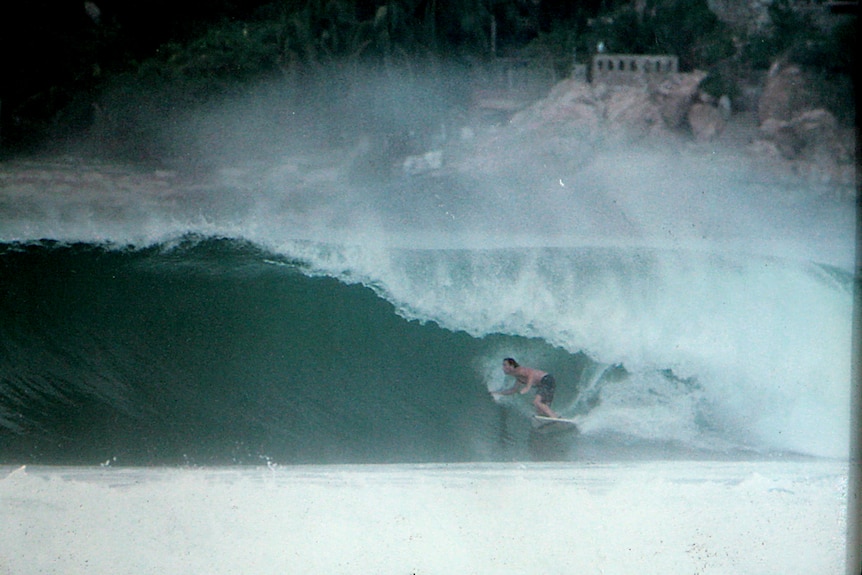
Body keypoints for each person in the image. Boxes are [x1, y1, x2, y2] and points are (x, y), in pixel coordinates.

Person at [492, 357, 560, 419]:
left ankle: (554, 418)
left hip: (546, 380)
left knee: (536, 402)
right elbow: (513, 390)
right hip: (545, 383)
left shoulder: (519, 370)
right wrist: (498, 393)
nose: (503, 368)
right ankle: (551, 420)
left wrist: (527, 387)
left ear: (512, 366)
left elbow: (531, 373)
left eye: (505, 365)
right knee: (540, 410)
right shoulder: (518, 377)